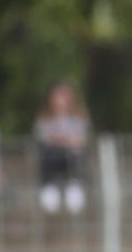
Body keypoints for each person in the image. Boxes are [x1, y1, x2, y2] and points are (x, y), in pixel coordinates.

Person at [35, 82, 91, 214]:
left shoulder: (79, 117)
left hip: (72, 157)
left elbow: (81, 139)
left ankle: (75, 186)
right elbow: (43, 137)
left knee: (76, 158)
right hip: (51, 157)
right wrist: (65, 139)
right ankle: (49, 188)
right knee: (48, 156)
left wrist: (61, 139)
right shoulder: (43, 117)